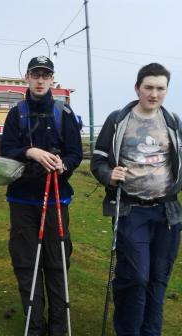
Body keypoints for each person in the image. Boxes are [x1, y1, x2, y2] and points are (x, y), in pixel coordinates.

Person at [91, 62, 182, 335]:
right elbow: (98, 160)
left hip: (167, 212)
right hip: (131, 211)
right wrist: (109, 175)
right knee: (136, 277)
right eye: (149, 87)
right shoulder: (118, 120)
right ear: (137, 88)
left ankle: (151, 332)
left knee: (158, 279)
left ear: (166, 90)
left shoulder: (173, 122)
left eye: (160, 88)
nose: (154, 94)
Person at [0, 56, 83, 336]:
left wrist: (64, 165)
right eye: (35, 74)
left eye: (45, 75)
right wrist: (29, 151)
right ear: (26, 77)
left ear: (52, 80)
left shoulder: (64, 114)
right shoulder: (16, 113)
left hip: (57, 199)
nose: (39, 80)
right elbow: (5, 149)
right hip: (23, 201)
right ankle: (34, 327)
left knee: (57, 263)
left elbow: (75, 153)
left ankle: (59, 328)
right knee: (26, 263)